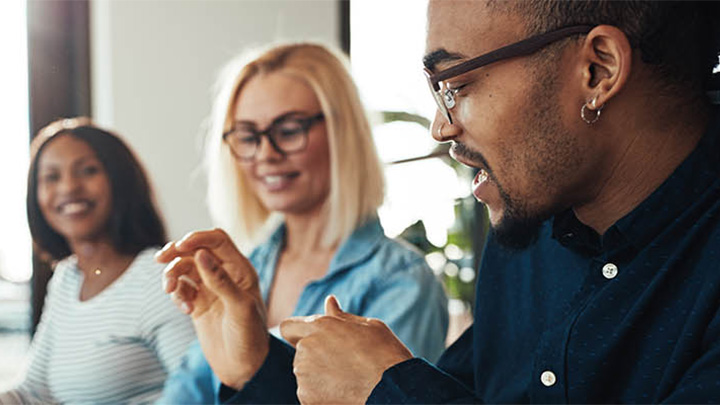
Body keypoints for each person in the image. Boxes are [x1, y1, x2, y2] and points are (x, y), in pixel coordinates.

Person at [158, 1, 720, 403]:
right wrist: (256, 366)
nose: (439, 128)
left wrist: (390, 390)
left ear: (598, 69)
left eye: (456, 84)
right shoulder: (528, 238)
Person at [157, 43, 448, 404]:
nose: (266, 154)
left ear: (343, 133)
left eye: (289, 129)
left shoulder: (400, 281)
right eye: (248, 136)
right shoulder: (244, 270)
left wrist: (252, 369)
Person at [0, 118, 196, 404]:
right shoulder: (68, 278)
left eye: (87, 171)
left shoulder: (160, 279)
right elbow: (33, 392)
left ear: (120, 182)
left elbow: (197, 391)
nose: (68, 187)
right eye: (51, 177)